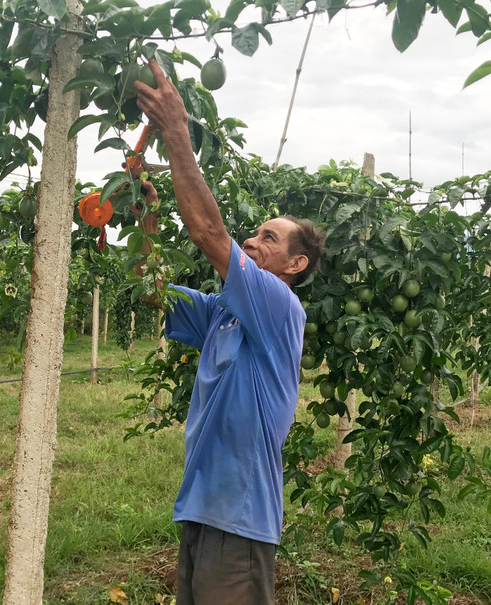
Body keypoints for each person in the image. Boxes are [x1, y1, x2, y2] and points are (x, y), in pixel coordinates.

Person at [132, 60, 325, 605]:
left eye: (269, 237)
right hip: (201, 505)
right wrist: (147, 215)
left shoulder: (279, 304)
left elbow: (207, 231)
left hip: (239, 517)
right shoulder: (225, 311)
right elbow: (155, 290)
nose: (254, 240)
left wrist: (176, 133)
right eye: (255, 232)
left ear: (295, 265)